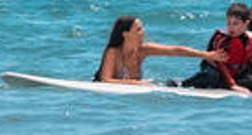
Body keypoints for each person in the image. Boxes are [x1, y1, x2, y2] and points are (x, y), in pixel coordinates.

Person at [94, 16, 227, 84]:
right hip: (106, 97)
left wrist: (206, 55)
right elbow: (106, 80)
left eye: (142, 28)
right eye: (138, 29)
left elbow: (176, 51)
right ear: (125, 34)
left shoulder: (143, 50)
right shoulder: (113, 51)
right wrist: (137, 84)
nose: (143, 32)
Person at [181, 3, 252, 95]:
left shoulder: (248, 39)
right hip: (216, 68)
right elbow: (220, 64)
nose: (231, 27)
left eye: (235, 24)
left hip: (235, 71)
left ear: (246, 24)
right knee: (211, 77)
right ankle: (179, 84)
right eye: (228, 23)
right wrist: (232, 85)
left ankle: (226, 84)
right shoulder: (222, 38)